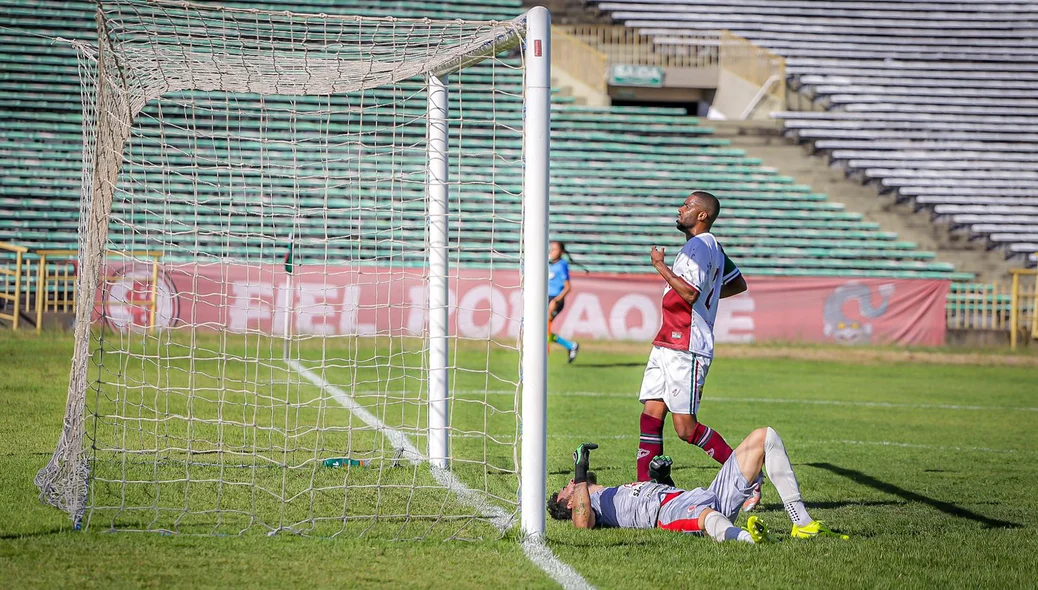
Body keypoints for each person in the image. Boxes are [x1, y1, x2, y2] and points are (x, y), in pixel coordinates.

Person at [636, 191, 758, 508]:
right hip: (667, 341)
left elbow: (689, 293)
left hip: (687, 344)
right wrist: (711, 295)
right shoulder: (710, 247)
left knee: (685, 428)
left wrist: (660, 266)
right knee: (650, 415)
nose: (680, 208)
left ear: (702, 215)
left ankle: (749, 480)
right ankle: (642, 490)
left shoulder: (699, 246)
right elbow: (737, 283)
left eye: (687, 206)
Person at [547, 429, 849, 544]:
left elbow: (666, 492)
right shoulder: (594, 507)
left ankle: (803, 523)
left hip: (700, 494)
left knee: (763, 437)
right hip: (667, 512)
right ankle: (748, 540)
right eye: (567, 489)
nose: (571, 483)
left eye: (569, 482)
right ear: (570, 503)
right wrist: (580, 470)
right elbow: (582, 525)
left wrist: (661, 478)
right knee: (702, 516)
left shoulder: (610, 492)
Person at [548, 240, 579, 363]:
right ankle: (571, 346)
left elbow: (568, 287)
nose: (551, 251)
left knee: (544, 330)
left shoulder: (562, 265)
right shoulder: (550, 264)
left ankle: (543, 357)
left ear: (561, 252)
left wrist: (556, 300)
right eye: (551, 249)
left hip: (555, 300)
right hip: (547, 298)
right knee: (543, 330)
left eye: (555, 249)